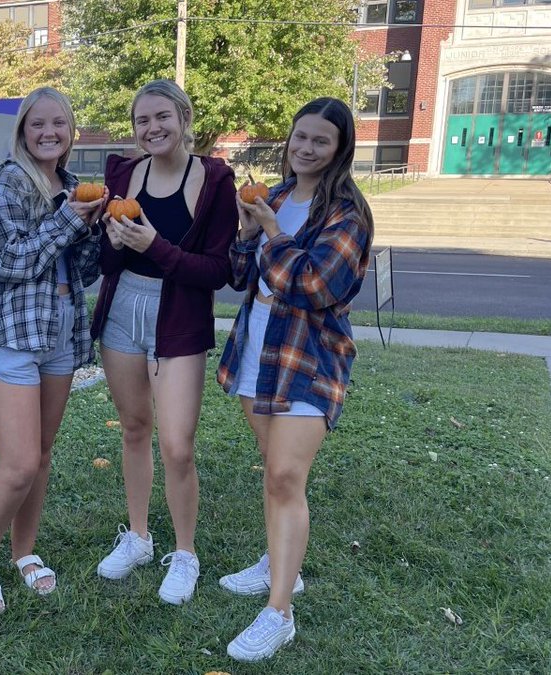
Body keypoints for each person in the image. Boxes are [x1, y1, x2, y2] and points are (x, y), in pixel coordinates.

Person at [215, 97, 374, 662]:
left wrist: (271, 232)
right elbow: (240, 276)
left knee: (286, 474)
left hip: (310, 354)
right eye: (300, 137)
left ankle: (279, 612)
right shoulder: (277, 196)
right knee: (274, 470)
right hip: (258, 346)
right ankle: (279, 564)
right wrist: (246, 230)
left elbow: (313, 286)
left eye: (320, 141)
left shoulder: (347, 215)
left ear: (340, 149)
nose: (306, 148)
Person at [89, 79, 238, 605]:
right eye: (142, 120)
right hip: (122, 311)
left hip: (179, 315)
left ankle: (185, 553)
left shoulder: (214, 179)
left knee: (177, 445)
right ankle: (138, 537)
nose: (151, 128)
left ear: (183, 119)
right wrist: (113, 242)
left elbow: (218, 270)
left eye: (161, 117)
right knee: (134, 429)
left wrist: (156, 245)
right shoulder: (123, 174)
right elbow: (108, 262)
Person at [0, 87, 106, 613]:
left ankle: (23, 552)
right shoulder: (11, 181)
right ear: (22, 130)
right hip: (12, 332)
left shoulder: (71, 186)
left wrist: (95, 230)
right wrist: (70, 220)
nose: (49, 133)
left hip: (61, 329)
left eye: (59, 124)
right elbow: (7, 261)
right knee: (19, 462)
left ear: (72, 131)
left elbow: (83, 270)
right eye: (38, 124)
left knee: (42, 455)